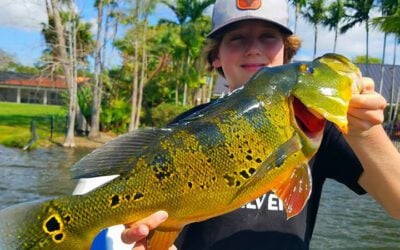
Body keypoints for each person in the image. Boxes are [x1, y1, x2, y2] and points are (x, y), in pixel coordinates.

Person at [118, 0, 400, 249]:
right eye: (237, 38)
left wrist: (366, 132)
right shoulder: (184, 129)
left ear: (286, 53)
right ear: (216, 56)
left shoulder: (320, 128)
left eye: (268, 37)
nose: (253, 49)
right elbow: (157, 224)